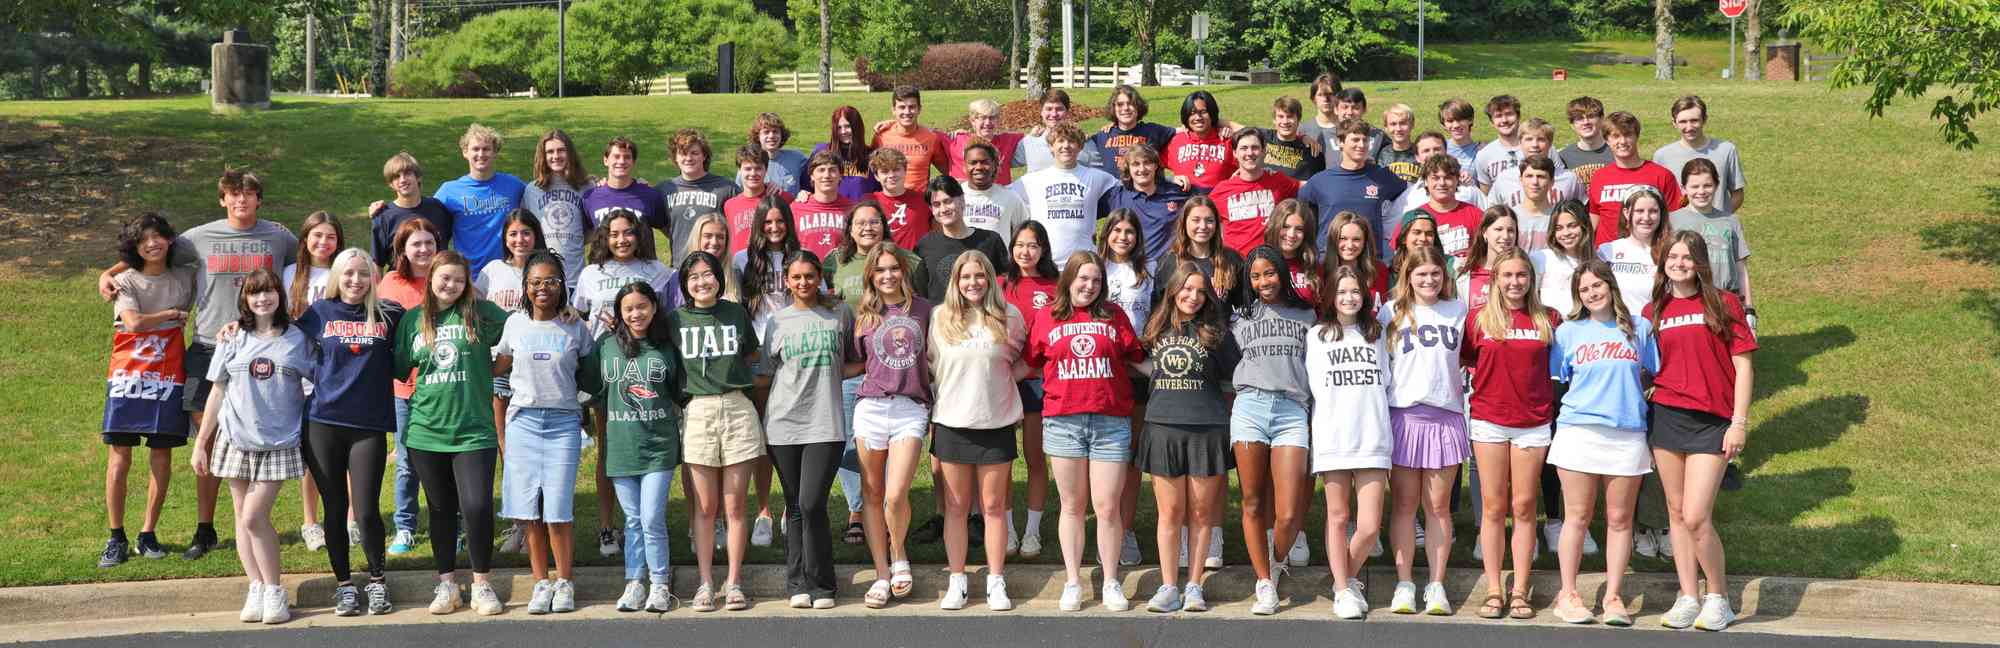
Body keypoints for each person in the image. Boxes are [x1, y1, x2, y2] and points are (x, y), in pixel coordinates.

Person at [97, 169, 300, 562]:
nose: (241, 201)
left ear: (259, 199)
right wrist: (109, 272)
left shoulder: (279, 237)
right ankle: (205, 529)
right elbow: (150, 249)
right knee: (206, 440)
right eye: (233, 195)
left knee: (256, 437)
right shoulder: (197, 238)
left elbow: (312, 254)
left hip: (261, 345)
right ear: (222, 199)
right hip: (208, 347)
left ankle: (254, 522)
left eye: (249, 194)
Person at [189, 268, 315, 625]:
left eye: (269, 292)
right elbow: (217, 390)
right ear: (245, 298)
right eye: (255, 293)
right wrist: (202, 443)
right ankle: (257, 586)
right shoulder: (232, 337)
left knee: (253, 517)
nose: (262, 299)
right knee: (242, 521)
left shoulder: (296, 339)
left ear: (280, 296)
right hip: (235, 440)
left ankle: (275, 590)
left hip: (278, 441)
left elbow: (318, 381)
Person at [1645, 230, 1757, 632]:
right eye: (1673, 256)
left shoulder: (1724, 303)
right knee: (1675, 514)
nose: (1679, 263)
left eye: (1687, 257)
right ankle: (1688, 596)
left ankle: (1719, 598)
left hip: (1712, 421)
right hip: (1666, 418)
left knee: (1696, 516)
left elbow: (1743, 366)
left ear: (1700, 263)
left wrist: (1738, 423)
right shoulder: (1653, 310)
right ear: (1664, 263)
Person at [393, 251, 509, 616]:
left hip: (474, 430)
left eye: (458, 280)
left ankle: (482, 584)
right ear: (431, 278)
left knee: (476, 507)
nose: (451, 285)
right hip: (426, 431)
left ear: (467, 283)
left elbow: (522, 332)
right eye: (445, 278)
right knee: (441, 510)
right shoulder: (414, 320)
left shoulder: (481, 313)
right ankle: (446, 584)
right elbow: (399, 367)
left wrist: (490, 370)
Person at [289, 249, 402, 616]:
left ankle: (377, 582)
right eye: (349, 273)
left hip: (368, 426)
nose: (356, 281)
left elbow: (438, 310)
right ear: (338, 276)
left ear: (374, 278)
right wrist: (235, 328)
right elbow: (276, 334)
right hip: (323, 423)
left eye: (364, 274)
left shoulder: (389, 315)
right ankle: (344, 587)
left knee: (366, 510)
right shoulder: (319, 313)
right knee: (335, 508)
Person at [1030, 251, 1144, 613]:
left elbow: (1139, 359)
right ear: (1069, 280)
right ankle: (1074, 581)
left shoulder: (1115, 315)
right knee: (1072, 505)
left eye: (1096, 280)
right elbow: (1029, 364)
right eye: (1083, 279)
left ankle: (1110, 580)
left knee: (1108, 506)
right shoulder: (1047, 316)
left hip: (1111, 421)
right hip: (1064, 421)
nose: (1089, 286)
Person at [1547, 260, 1658, 627]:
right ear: (1578, 296)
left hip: (1626, 433)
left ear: (1611, 286)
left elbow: (1653, 373)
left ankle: (1613, 596)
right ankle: (1568, 594)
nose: (1592, 293)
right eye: (1584, 289)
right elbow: (1559, 379)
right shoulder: (1568, 332)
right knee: (1576, 516)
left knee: (1619, 518)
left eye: (1598, 285)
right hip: (1580, 432)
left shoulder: (1639, 329)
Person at [1460, 249, 1559, 620]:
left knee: (1523, 506)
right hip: (1488, 419)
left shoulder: (1548, 319)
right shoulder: (1477, 320)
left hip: (1533, 423)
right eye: (1507, 276)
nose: (1515, 282)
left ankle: (1520, 590)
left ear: (1531, 279)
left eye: (1521, 275)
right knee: (1493, 507)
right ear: (1495, 280)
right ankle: (1493, 589)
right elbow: (1468, 359)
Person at [928, 251, 1030, 610]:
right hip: (953, 422)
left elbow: (1024, 360)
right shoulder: (940, 317)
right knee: (955, 507)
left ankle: (996, 581)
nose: (973, 283)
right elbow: (932, 367)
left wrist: (1001, 386)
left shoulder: (1010, 316)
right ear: (956, 281)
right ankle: (957, 580)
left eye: (980, 276)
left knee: (993, 506)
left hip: (995, 423)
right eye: (965, 277)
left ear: (990, 278)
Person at [574, 209, 679, 554]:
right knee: (610, 449)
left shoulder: (659, 272)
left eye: (628, 232)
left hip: (647, 369)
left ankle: (651, 524)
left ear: (639, 235)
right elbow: (578, 315)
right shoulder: (591, 273)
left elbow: (669, 316)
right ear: (604, 237)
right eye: (614, 233)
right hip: (608, 369)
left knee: (650, 441)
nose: (622, 239)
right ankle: (608, 526)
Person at [494, 251, 592, 615]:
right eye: (535, 282)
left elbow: (591, 370)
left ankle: (564, 582)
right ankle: (540, 583)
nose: (543, 288)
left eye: (551, 281)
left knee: (558, 510)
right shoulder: (515, 324)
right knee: (529, 511)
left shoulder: (574, 326)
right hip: (524, 423)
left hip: (564, 423)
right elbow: (498, 367)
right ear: (525, 287)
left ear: (562, 285)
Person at [667, 251, 764, 613]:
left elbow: (751, 354)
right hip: (698, 411)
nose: (702, 282)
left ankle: (734, 581)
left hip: (738, 406)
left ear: (718, 279)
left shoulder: (735, 313)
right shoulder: (674, 320)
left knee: (735, 504)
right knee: (706, 506)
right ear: (685, 284)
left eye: (708, 275)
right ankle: (706, 582)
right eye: (693, 277)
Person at [1138, 260, 1237, 613]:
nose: (1193, 297)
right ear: (1174, 290)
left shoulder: (1217, 332)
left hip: (1207, 428)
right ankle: (1168, 586)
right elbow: (1137, 361)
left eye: (1199, 290)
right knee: (1170, 512)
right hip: (1163, 426)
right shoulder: (1154, 327)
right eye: (1187, 289)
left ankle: (1194, 585)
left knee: (1200, 513)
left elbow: (1234, 376)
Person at [761, 251, 858, 610]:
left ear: (820, 277)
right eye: (796, 277)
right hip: (783, 425)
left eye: (809, 276)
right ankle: (797, 582)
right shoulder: (777, 321)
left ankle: (823, 584)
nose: (803, 283)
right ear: (786, 280)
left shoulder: (839, 314)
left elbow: (847, 362)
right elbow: (768, 372)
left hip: (825, 423)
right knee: (795, 505)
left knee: (811, 501)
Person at [100, 213, 195, 568]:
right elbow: (134, 322)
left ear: (169, 239)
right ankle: (116, 536)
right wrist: (172, 313)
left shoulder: (186, 274)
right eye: (144, 239)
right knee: (119, 457)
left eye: (158, 237)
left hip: (169, 376)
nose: (152, 244)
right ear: (134, 246)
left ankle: (148, 532)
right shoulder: (124, 281)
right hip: (127, 378)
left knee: (161, 456)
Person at [1378, 247, 1467, 617]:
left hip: (1445, 417)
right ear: (1408, 276)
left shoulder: (1458, 310)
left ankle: (1436, 584)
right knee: (1403, 506)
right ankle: (1403, 584)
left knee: (1438, 507)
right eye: (1421, 274)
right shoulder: (1390, 311)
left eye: (1435, 274)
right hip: (1404, 417)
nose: (1429, 280)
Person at [587, 282, 686, 614]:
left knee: (651, 517)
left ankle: (659, 584)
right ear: (620, 313)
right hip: (621, 446)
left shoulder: (666, 347)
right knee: (631, 520)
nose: (636, 313)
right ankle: (634, 583)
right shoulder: (607, 346)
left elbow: (679, 390)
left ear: (654, 308)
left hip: (658, 446)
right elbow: (588, 382)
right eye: (628, 308)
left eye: (642, 306)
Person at [1229, 245, 1316, 615]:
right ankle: (1264, 581)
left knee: (1288, 512)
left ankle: (1276, 560)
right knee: (1251, 500)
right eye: (1255, 275)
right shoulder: (1238, 316)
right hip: (1249, 407)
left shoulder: (1307, 315)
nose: (1263, 281)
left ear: (1282, 273)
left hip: (1292, 411)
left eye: (1269, 273)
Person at [849, 247, 935, 608]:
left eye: (893, 269)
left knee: (896, 493)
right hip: (870, 408)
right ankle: (882, 573)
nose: (887, 276)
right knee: (871, 493)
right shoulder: (863, 316)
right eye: (880, 270)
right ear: (871, 275)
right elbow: (854, 364)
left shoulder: (926, 310)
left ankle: (899, 554)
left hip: (909, 409)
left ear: (904, 271)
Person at [1309, 266, 1394, 620]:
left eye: (1355, 291)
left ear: (1366, 296)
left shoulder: (1377, 333)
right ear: (1331, 295)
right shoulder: (1317, 335)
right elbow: (1316, 386)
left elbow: (1386, 381)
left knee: (1370, 526)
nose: (1349, 298)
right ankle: (1344, 589)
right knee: (1338, 516)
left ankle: (1345, 576)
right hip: (1335, 435)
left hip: (1373, 434)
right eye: (1342, 291)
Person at [282, 211, 345, 553]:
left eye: (330, 236)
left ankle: (351, 518)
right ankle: (310, 521)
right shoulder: (291, 274)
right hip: (302, 373)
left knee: (346, 448)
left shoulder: (345, 270)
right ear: (305, 239)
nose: (323, 243)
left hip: (340, 372)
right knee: (313, 453)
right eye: (317, 236)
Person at [376, 218, 437, 556]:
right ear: (402, 249)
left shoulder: (447, 276)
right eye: (416, 244)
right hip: (405, 387)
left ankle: (452, 524)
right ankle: (405, 526)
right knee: (407, 461)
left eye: (429, 242)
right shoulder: (390, 283)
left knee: (445, 460)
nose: (424, 249)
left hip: (445, 387)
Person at [1098, 209, 1156, 567]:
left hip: (1136, 369)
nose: (1123, 237)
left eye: (1129, 231)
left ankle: (1127, 529)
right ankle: (1105, 523)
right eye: (1117, 230)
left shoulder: (1146, 274)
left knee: (1131, 456)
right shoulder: (1094, 268)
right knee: (1105, 456)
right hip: (1100, 369)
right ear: (1106, 235)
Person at [1002, 222, 1060, 558]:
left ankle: (1032, 532)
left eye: (1033, 245)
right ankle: (1007, 530)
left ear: (1043, 249)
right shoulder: (1000, 284)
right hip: (1004, 381)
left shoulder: (1055, 285)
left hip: (1040, 381)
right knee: (1004, 459)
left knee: (1035, 458)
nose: (1026, 251)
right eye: (1020, 245)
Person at [1298, 119, 1408, 256]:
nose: (1361, 145)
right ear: (1341, 142)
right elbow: (1302, 216)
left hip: (1369, 260)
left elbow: (1409, 198)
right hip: (1330, 261)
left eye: (1365, 140)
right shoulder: (1320, 181)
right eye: (1355, 140)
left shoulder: (1382, 176)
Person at [1018, 122, 1120, 269]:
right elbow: (1002, 195)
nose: (1066, 145)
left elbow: (1130, 190)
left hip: (1083, 263)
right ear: (1051, 147)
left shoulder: (1097, 177)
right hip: (1044, 263)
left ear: (1080, 147)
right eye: (1060, 141)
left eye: (1072, 141)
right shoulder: (1032, 180)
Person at [1669, 158, 1754, 322]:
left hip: (1728, 299)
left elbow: (1741, 268)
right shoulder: (1672, 220)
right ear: (1684, 188)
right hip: (1690, 301)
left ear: (1716, 185)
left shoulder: (1731, 220)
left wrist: (1749, 308)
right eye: (1694, 186)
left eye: (1707, 185)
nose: (1701, 191)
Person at [436, 124, 527, 270]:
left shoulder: (513, 185)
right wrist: (387, 208)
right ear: (465, 152)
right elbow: (423, 213)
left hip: (507, 272)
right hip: (467, 275)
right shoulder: (449, 191)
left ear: (495, 152)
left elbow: (540, 194)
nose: (481, 154)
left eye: (486, 149)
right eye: (475, 149)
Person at [1586, 112, 1684, 247]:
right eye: (1616, 136)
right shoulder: (1599, 177)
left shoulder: (1661, 175)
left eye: (1627, 135)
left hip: (1649, 254)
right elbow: (1594, 217)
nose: (1622, 141)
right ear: (1607, 140)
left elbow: (1675, 218)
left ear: (1636, 137)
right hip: (1607, 256)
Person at [919, 175, 1012, 303]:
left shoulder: (991, 240)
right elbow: (920, 293)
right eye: (936, 204)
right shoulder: (924, 246)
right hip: (941, 320)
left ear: (962, 200)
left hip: (983, 319)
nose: (943, 209)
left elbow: (1005, 285)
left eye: (948, 201)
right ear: (931, 209)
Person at [1387, 132, 1489, 244]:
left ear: (1446, 152)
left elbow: (1491, 221)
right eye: (1426, 150)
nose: (1432, 154)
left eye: (1437, 149)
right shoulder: (1409, 197)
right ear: (1417, 157)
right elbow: (1390, 234)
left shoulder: (1468, 189)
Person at [1214, 128, 1302, 256]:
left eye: (1255, 147)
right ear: (1234, 153)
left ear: (1264, 151)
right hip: (1235, 266)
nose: (1249, 153)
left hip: (1270, 265)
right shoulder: (1221, 190)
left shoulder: (1278, 181)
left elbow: (1309, 186)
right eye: (1244, 148)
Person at [1652, 96, 1746, 214]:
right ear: (1674, 123)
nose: (1689, 127)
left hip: (1716, 229)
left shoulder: (1726, 150)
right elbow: (1656, 199)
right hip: (1678, 229)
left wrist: (1722, 218)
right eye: (1683, 122)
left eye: (1694, 120)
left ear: (1704, 119)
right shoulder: (1662, 156)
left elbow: (1738, 194)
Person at [662, 129, 741, 265]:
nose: (688, 158)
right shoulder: (665, 189)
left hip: (717, 267)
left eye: (694, 153)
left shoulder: (726, 188)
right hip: (681, 267)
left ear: (704, 156)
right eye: (683, 153)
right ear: (675, 157)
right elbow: (663, 224)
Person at [1102, 143, 1189, 266]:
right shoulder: (1116, 196)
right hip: (1129, 270)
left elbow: (1213, 197)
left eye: (1147, 163)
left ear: (1156, 166)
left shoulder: (1177, 192)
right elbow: (1085, 211)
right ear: (1128, 168)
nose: (1142, 169)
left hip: (1167, 270)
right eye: (1136, 164)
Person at [1157, 195, 1247, 311]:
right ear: (1184, 222)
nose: (1203, 226)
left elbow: (1243, 306)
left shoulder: (1231, 259)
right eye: (1196, 220)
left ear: (1216, 224)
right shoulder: (1169, 262)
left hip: (1222, 328)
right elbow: (1160, 308)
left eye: (1209, 220)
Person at [369, 152, 454, 275]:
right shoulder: (384, 217)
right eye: (396, 177)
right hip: (401, 287)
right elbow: (377, 263)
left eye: (407, 173)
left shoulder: (438, 208)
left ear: (418, 177)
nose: (402, 180)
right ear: (391, 184)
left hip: (436, 283)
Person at [523, 129, 589, 285]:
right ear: (543, 156)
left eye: (561, 150)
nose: (555, 156)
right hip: (543, 280)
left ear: (570, 153)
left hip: (576, 279)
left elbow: (595, 227)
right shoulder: (532, 190)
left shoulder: (586, 186)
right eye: (550, 152)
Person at [826, 200, 925, 304]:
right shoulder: (835, 260)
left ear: (884, 227)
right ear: (850, 230)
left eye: (874, 222)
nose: (868, 228)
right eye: (860, 223)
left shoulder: (908, 259)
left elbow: (924, 303)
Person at [1597, 188, 1671, 319]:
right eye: (1639, 211)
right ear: (1626, 213)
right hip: (1617, 330)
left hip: (1654, 329)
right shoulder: (1607, 251)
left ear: (1661, 214)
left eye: (1653, 211)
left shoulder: (1670, 252)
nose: (1646, 217)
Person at [1399, 155, 1485, 266]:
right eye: (1435, 178)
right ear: (1426, 181)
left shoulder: (1475, 214)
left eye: (1448, 177)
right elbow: (1399, 257)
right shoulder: (1413, 217)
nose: (1442, 183)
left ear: (1457, 180)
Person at [1487, 120, 1584, 212]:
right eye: (1529, 139)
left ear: (1550, 144)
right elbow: (1492, 213)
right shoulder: (1504, 178)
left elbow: (1581, 212)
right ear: (1520, 143)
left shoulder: (1569, 178)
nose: (1535, 145)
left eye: (1541, 139)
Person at [1530, 202, 1598, 330]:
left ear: (1584, 226)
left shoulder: (1597, 260)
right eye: (1559, 228)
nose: (1566, 233)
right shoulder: (1540, 259)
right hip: (1550, 332)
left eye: (1572, 226)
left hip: (1587, 334)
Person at [1086, 84, 1177, 178]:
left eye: (1130, 104)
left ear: (1138, 106)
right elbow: (1081, 143)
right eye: (1120, 104)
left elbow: (1184, 131)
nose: (1125, 108)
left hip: (1147, 190)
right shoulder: (1103, 136)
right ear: (1113, 108)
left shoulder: (1153, 131)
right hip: (1115, 191)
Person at [582, 136, 669, 233]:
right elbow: (580, 237)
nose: (621, 161)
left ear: (633, 162)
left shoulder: (650, 195)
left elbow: (669, 231)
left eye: (627, 157)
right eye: (616, 156)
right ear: (606, 160)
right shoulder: (590, 197)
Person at [872, 85, 949, 193]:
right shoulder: (881, 136)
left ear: (919, 109)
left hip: (919, 203)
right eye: (902, 107)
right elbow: (872, 170)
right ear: (893, 110)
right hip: (889, 203)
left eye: (912, 107)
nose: (907, 112)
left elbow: (948, 171)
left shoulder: (931, 138)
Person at [725, 145, 793, 259]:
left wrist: (804, 194)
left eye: (758, 168)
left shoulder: (782, 198)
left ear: (766, 170)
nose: (753, 173)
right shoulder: (730, 205)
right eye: (747, 169)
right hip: (740, 265)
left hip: (772, 264)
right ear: (739, 171)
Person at [1164, 90, 1235, 193]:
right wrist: (1169, 180)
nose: (1198, 117)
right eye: (1192, 113)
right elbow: (1151, 167)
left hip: (1216, 203)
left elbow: (1248, 167)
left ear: (1212, 114)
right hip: (1184, 202)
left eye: (1203, 112)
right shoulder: (1175, 141)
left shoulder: (1227, 141)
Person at [1456, 206, 1522, 312]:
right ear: (1484, 232)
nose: (1505, 236)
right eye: (1498, 229)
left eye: (1511, 230)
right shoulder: (1466, 274)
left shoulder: (1523, 271)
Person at [810, 106, 884, 200]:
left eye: (848, 126)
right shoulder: (822, 151)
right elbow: (807, 185)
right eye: (839, 127)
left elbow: (883, 188)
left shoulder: (871, 155)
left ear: (857, 127)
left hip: (862, 211)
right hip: (832, 211)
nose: (843, 132)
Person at [958, 142, 1027, 239]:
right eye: (973, 163)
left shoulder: (1010, 197)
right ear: (964, 167)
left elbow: (1024, 234)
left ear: (994, 165)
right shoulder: (954, 195)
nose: (979, 167)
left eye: (984, 162)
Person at [795, 151, 856, 259]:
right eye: (821, 170)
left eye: (832, 170)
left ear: (840, 175)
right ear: (812, 176)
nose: (826, 175)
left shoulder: (853, 209)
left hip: (841, 272)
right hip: (807, 272)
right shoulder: (797, 208)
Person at [869, 148, 933, 250]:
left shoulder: (923, 200)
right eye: (885, 171)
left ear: (905, 171)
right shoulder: (870, 202)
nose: (891, 175)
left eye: (896, 169)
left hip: (917, 262)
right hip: (884, 262)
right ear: (877, 176)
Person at [1322, 210, 1390, 305]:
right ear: (1333, 240)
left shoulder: (1379, 270)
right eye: (1343, 238)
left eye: (1356, 239)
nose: (1350, 245)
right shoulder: (1320, 272)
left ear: (1365, 242)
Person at [1267, 200, 1322, 304]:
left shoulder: (1314, 268)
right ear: (1275, 227)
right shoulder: (1260, 263)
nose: (1291, 234)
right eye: (1285, 227)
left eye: (1299, 229)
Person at [741, 112, 809, 195]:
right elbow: (741, 193)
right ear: (758, 136)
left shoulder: (797, 159)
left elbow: (812, 186)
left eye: (775, 132)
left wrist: (804, 193)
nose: (771, 136)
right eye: (766, 132)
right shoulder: (748, 162)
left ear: (781, 135)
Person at [1261, 96, 1326, 181]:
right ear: (1274, 119)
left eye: (1290, 116)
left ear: (1298, 119)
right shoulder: (1261, 138)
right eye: (1281, 116)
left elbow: (1317, 185)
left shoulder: (1312, 152)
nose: (1285, 121)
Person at [1506, 155, 1561, 253]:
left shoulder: (1559, 218)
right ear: (1521, 180)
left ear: (1551, 182)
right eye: (1529, 176)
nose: (1535, 182)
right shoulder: (1509, 216)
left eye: (1541, 177)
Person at [1008, 91, 1071, 176]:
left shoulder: (1081, 143)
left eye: (1059, 109)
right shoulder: (1029, 142)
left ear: (1067, 112)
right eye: (1049, 109)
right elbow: (1003, 162)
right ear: (1041, 112)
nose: (1053, 114)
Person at [1471, 95, 1525, 193]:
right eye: (1498, 116)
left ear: (1518, 116)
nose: (1504, 120)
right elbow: (1486, 195)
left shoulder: (1538, 147)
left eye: (1509, 114)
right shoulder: (1484, 155)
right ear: (1492, 122)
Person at [1558, 96, 1613, 186]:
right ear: (1572, 124)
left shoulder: (1617, 153)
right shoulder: (1562, 158)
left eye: (1591, 116)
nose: (1586, 122)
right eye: (1579, 118)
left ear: (1602, 119)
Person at [1438, 98, 1484, 185]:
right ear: (1443, 124)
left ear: (1470, 120)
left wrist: (1472, 183)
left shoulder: (1481, 150)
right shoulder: (1439, 148)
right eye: (1450, 121)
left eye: (1460, 120)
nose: (1456, 125)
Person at [1375, 104, 1421, 183]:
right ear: (1386, 127)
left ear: (1412, 125)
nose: (1398, 129)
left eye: (1403, 123)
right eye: (1393, 124)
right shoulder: (1380, 154)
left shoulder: (1421, 152)